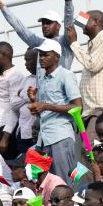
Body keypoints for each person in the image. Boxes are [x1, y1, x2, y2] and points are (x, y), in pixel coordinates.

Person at [0, 0, 75, 74]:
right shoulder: (39, 43)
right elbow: (19, 27)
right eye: (43, 23)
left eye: (49, 22)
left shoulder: (65, 42)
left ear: (58, 26)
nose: (45, 25)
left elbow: (69, 22)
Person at [29, 39, 83, 185]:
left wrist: (45, 106)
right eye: (40, 55)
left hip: (60, 136)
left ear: (57, 57)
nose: (41, 58)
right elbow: (44, 110)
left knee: (63, 183)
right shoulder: (43, 79)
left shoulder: (66, 75)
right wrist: (35, 102)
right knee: (48, 184)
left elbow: (78, 107)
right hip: (45, 138)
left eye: (46, 55)